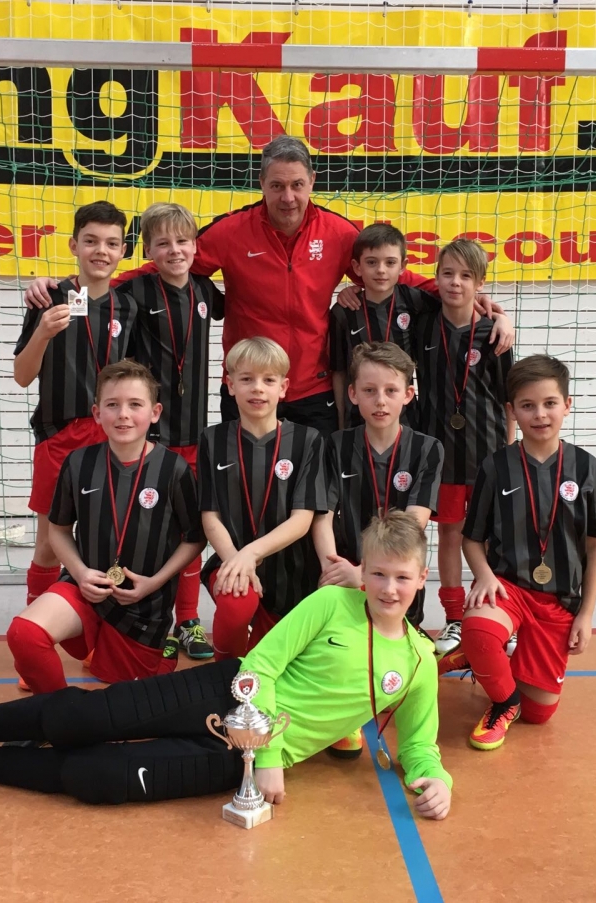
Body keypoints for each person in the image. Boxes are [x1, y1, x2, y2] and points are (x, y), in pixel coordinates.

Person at [0, 512, 452, 821]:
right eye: (378, 574)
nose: (389, 588)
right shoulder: (331, 603)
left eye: (402, 578)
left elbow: (418, 743)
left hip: (236, 757)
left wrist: (435, 780)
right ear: (362, 571)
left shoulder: (418, 662)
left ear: (421, 579)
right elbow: (260, 667)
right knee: (83, 719)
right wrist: (271, 755)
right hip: (224, 694)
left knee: (98, 779)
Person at [24, 137, 509, 435]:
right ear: (261, 184)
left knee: (315, 504)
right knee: (244, 499)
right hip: (247, 388)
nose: (288, 196)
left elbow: (396, 274)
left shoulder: (339, 234)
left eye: (297, 184)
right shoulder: (231, 232)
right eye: (277, 185)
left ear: (312, 181)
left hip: (313, 392)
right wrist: (75, 283)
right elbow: (170, 264)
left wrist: (473, 299)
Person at [6, 360, 204, 691]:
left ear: (155, 412)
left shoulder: (175, 469)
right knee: (24, 634)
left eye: (135, 404)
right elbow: (58, 530)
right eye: (112, 405)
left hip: (142, 606)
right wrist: (81, 573)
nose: (123, 414)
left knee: (122, 700)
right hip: (85, 590)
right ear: (97, 413)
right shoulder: (78, 463)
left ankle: (157, 657)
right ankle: (62, 712)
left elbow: (195, 538)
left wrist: (154, 583)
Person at [456, 355, 596, 750]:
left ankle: (484, 659)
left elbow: (595, 545)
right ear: (512, 411)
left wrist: (586, 614)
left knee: (539, 715)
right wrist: (485, 576)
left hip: (558, 601)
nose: (540, 414)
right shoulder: (496, 467)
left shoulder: (587, 468)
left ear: (567, 405)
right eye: (527, 405)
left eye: (549, 403)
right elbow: (471, 539)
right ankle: (501, 698)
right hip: (508, 588)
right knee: (480, 630)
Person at [12, 201, 132, 673]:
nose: (101, 251)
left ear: (122, 251)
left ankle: (102, 635)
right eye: (91, 241)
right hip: (59, 439)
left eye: (111, 243)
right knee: (49, 542)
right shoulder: (48, 298)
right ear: (73, 245)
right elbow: (22, 376)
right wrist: (43, 333)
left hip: (112, 441)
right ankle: (34, 644)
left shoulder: (130, 305)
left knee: (112, 543)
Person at [313, 341, 443, 758]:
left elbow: (414, 523)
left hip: (394, 576)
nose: (380, 400)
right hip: (345, 572)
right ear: (353, 394)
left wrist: (368, 573)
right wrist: (335, 570)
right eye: (369, 391)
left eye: (390, 390)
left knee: (400, 673)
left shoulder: (428, 449)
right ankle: (344, 715)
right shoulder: (333, 445)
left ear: (409, 394)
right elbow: (320, 517)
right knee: (340, 642)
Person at [120, 202, 223, 660]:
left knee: (190, 530)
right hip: (150, 438)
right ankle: (153, 620)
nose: (175, 250)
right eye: (163, 243)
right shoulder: (134, 289)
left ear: (196, 246)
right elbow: (89, 289)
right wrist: (48, 286)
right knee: (149, 530)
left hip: (194, 435)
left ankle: (189, 621)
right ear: (148, 250)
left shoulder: (205, 290)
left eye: (183, 241)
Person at [412, 239, 515, 659]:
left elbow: (508, 400)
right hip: (441, 454)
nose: (455, 282)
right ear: (436, 278)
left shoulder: (495, 333)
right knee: (450, 533)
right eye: (448, 274)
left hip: (487, 452)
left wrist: (510, 451)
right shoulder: (422, 326)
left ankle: (493, 614)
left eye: (466, 276)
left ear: (480, 283)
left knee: (490, 537)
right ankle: (454, 618)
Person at [199, 337, 328, 660]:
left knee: (277, 665)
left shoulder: (308, 440)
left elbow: (303, 519)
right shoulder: (212, 439)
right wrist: (236, 561)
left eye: (268, 380)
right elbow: (210, 515)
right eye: (246, 379)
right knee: (236, 599)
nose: (257, 388)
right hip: (231, 559)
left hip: (292, 574)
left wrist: (251, 554)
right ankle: (223, 672)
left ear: (283, 388)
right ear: (230, 385)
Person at [328, 223, 429, 430]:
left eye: (390, 262)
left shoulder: (416, 301)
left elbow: (456, 307)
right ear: (357, 267)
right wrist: (341, 419)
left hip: (406, 419)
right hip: (357, 420)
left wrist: (495, 316)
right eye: (371, 262)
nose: (381, 270)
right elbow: (339, 372)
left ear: (403, 266)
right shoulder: (343, 312)